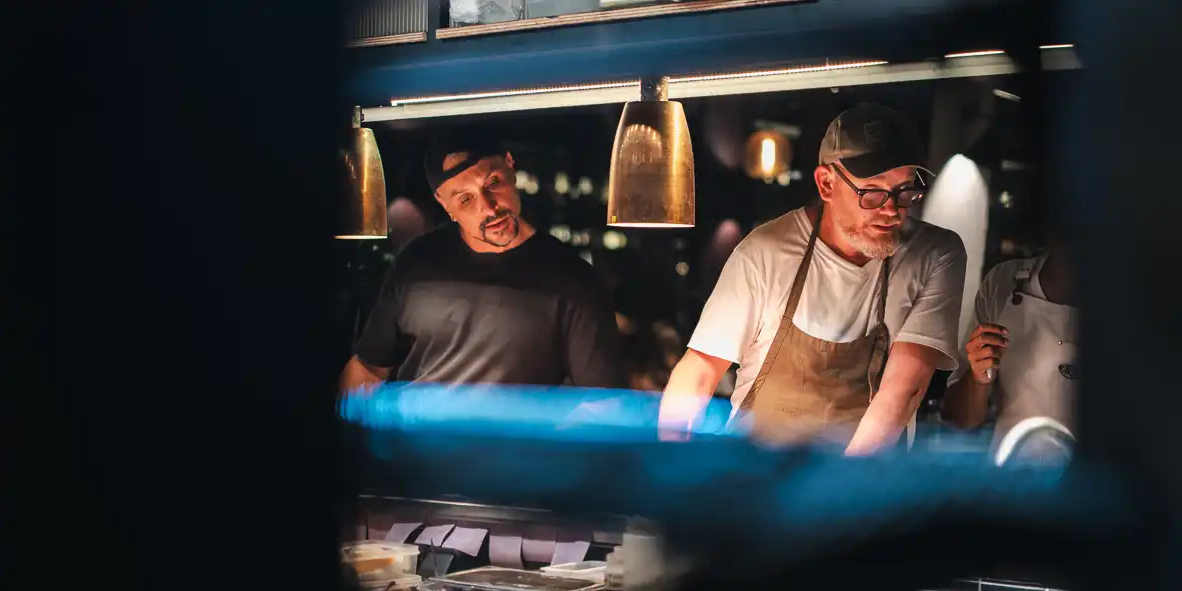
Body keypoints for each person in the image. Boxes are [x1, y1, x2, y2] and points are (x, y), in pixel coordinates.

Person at [658, 103, 967, 453]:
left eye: (905, 190)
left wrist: (839, 483)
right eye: (873, 192)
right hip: (753, 471)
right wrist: (668, 463)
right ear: (826, 183)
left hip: (863, 476)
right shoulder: (765, 252)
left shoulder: (934, 254)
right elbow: (698, 372)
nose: (892, 209)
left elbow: (903, 391)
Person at [340, 134, 627, 392]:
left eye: (493, 183)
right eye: (466, 199)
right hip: (416, 433)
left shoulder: (574, 280)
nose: (489, 208)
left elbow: (601, 403)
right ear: (444, 205)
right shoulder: (416, 263)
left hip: (510, 436)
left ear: (510, 166)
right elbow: (367, 370)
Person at [941, 233, 1078, 448]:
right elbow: (959, 420)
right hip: (1009, 461)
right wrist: (978, 378)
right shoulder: (1003, 282)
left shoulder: (1130, 302)